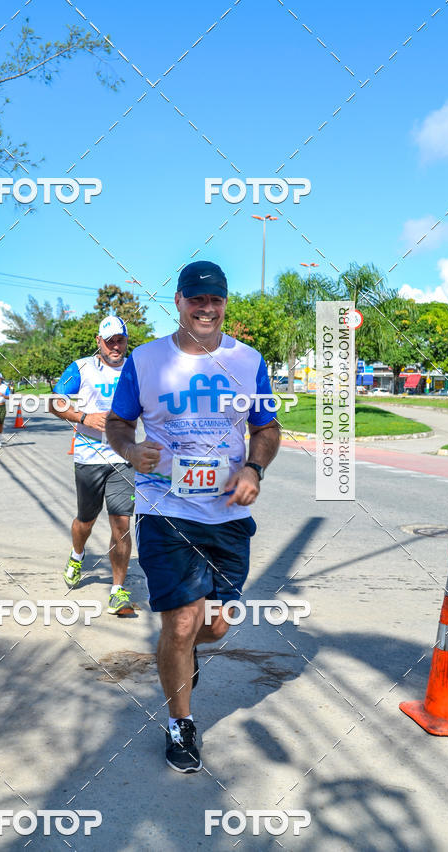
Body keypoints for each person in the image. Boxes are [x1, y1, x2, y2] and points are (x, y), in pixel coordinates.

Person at [106, 261, 281, 773]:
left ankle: (184, 653)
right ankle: (181, 724)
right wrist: (130, 448)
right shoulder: (145, 360)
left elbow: (266, 427)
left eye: (216, 300)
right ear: (179, 302)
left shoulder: (248, 361)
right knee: (181, 623)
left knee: (215, 626)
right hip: (167, 509)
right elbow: (118, 423)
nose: (206, 308)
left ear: (225, 304)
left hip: (226, 512)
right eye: (196, 300)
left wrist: (253, 467)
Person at [49, 315, 136, 616]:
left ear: (126, 340)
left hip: (123, 458)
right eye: (109, 340)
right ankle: (77, 554)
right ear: (99, 341)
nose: (115, 345)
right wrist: (85, 418)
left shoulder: (136, 370)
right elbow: (55, 402)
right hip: (88, 456)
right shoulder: (81, 368)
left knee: (122, 523)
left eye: (120, 339)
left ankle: (118, 591)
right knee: (86, 521)